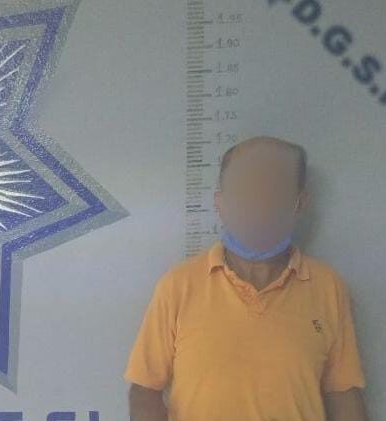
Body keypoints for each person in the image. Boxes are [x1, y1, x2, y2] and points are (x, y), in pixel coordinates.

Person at [124, 135, 370, 421]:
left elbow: (343, 393)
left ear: (300, 202)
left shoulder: (327, 287)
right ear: (220, 202)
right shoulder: (179, 285)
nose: (258, 205)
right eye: (245, 190)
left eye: (274, 190)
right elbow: (144, 390)